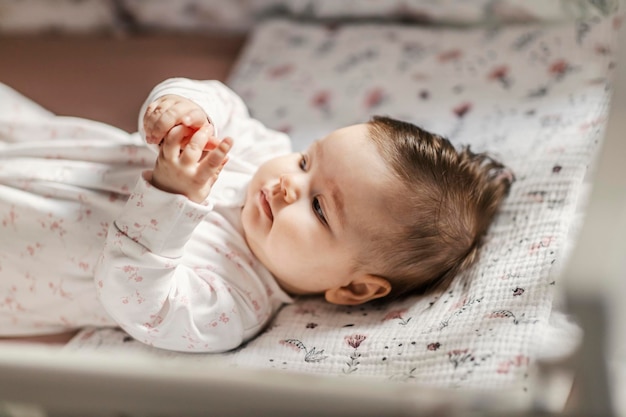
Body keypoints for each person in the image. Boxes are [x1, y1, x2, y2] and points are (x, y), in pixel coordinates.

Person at [0, 78, 513, 352]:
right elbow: (219, 101)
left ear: (354, 289)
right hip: (33, 146)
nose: (289, 181)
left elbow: (132, 293)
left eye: (318, 208)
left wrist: (171, 195)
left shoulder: (231, 305)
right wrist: (181, 108)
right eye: (308, 159)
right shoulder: (254, 152)